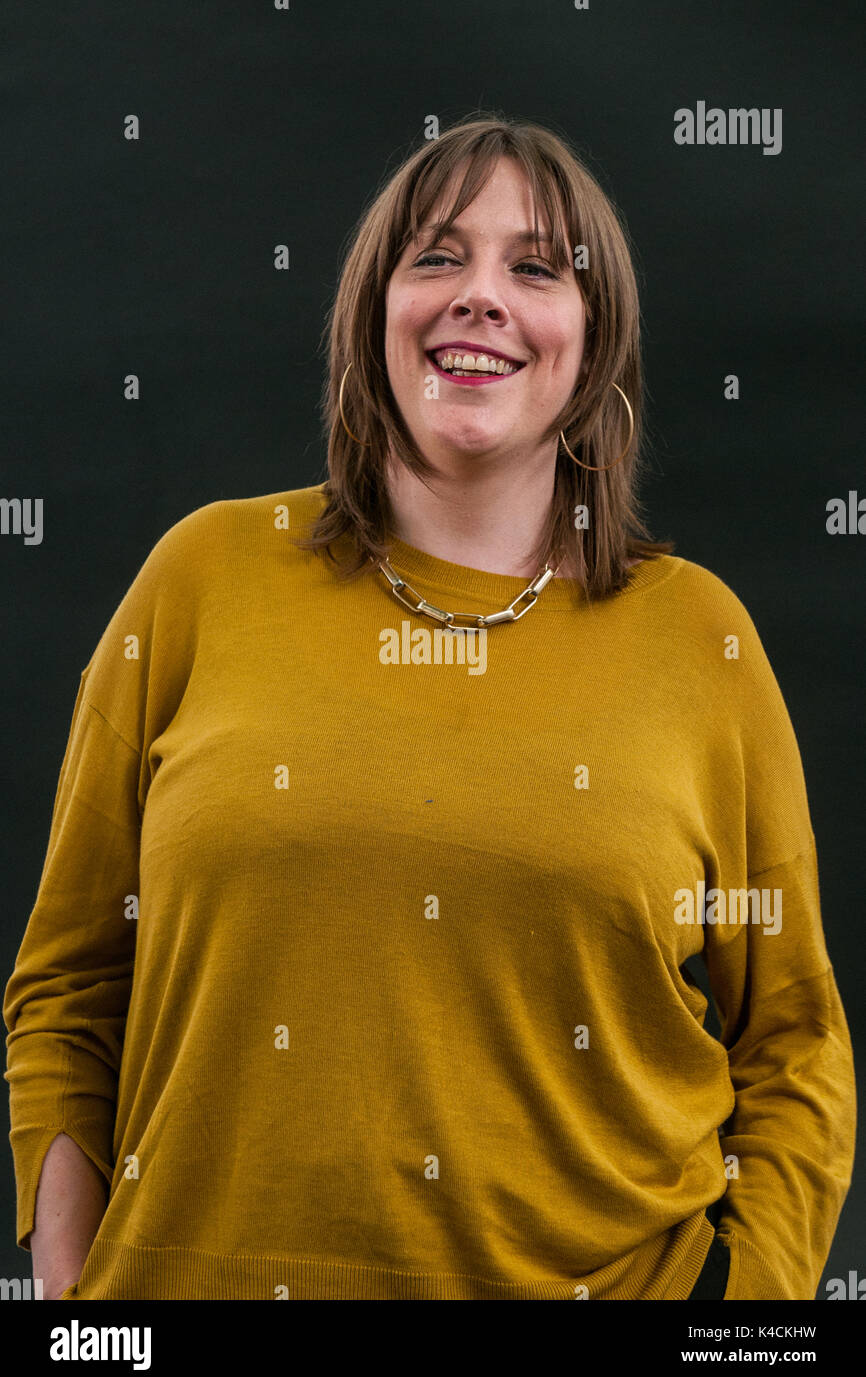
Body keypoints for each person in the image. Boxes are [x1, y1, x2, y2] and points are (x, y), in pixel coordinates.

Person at [4, 114, 855, 1301]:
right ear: (373, 311)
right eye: (437, 257)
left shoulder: (696, 639)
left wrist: (742, 1324)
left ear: (593, 336)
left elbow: (796, 1040)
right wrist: (70, 1304)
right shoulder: (201, 576)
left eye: (537, 266)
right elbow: (67, 984)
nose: (481, 297)